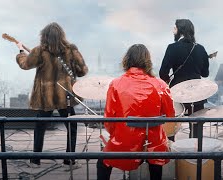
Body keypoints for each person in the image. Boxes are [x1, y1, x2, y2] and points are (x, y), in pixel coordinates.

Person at [15, 22, 88, 170]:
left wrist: (21, 51)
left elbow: (25, 64)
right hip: (65, 96)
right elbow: (82, 71)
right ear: (62, 36)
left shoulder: (39, 51)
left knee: (40, 126)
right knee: (71, 126)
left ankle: (35, 161)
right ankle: (69, 161)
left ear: (44, 36)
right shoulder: (71, 50)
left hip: (45, 97)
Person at [97, 44, 175, 180]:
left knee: (102, 162)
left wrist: (116, 134)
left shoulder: (116, 84)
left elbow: (109, 119)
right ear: (147, 61)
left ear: (127, 60)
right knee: (156, 162)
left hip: (124, 141)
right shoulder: (160, 84)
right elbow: (170, 115)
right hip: (154, 142)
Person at [159, 19, 210, 139]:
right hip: (197, 92)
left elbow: (163, 73)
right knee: (197, 126)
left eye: (175, 28)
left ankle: (171, 150)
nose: (173, 31)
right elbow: (205, 73)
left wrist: (168, 80)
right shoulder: (200, 49)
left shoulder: (172, 48)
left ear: (180, 30)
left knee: (172, 124)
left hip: (177, 91)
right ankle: (195, 153)